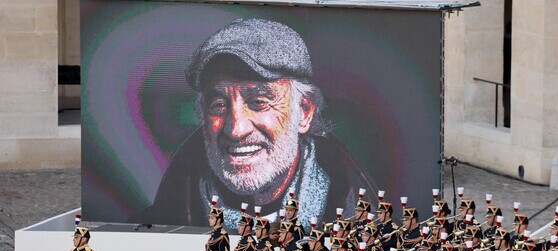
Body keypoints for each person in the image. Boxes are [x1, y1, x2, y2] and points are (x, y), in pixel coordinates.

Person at [132, 18, 377, 230]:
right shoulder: (151, 230)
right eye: (218, 105)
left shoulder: (371, 232)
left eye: (259, 102)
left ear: (303, 113)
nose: (236, 129)